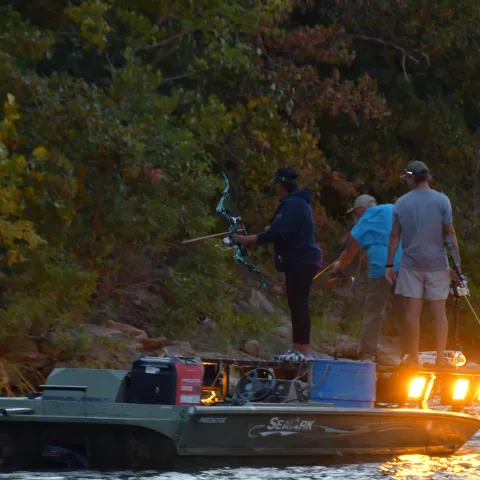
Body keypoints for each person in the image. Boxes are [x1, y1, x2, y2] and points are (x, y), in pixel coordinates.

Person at [233, 167, 323, 361]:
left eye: (275, 184)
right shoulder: (295, 204)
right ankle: (297, 350)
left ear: (281, 184)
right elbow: (283, 229)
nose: (275, 189)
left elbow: (277, 234)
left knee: (299, 303)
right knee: (295, 303)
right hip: (299, 260)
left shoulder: (293, 204)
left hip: (303, 259)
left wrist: (244, 239)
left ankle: (303, 352)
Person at [386, 161, 460, 366]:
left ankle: (415, 358)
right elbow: (450, 233)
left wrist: (389, 265)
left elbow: (394, 236)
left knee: (412, 312)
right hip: (437, 263)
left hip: (411, 264)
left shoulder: (401, 203)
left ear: (411, 177)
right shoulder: (442, 200)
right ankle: (439, 358)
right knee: (439, 312)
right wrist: (457, 265)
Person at [330, 195, 402, 363]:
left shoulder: (363, 221)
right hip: (405, 265)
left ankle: (368, 355)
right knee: (408, 312)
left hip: (381, 269)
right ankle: (410, 355)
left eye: (356, 213)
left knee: (374, 312)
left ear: (360, 210)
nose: (356, 217)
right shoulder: (392, 208)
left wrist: (338, 267)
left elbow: (350, 252)